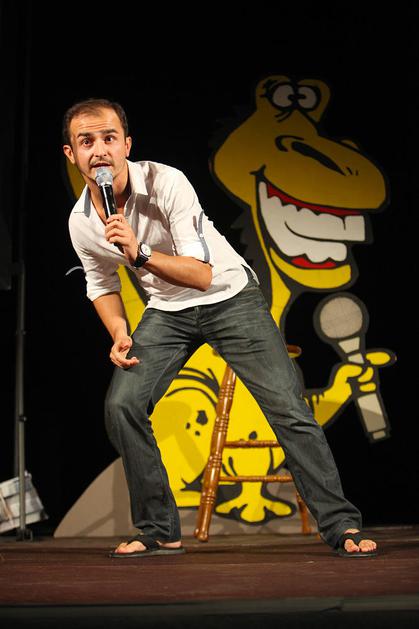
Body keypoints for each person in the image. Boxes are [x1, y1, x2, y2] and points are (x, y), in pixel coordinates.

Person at [63, 97, 377, 559]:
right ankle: (159, 528)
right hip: (167, 311)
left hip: (228, 296)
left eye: (109, 138)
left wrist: (140, 252)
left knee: (287, 407)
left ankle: (340, 524)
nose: (99, 151)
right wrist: (119, 332)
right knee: (123, 405)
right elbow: (101, 283)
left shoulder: (167, 182)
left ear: (126, 145)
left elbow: (200, 274)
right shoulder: (82, 222)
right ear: (71, 154)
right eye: (86, 141)